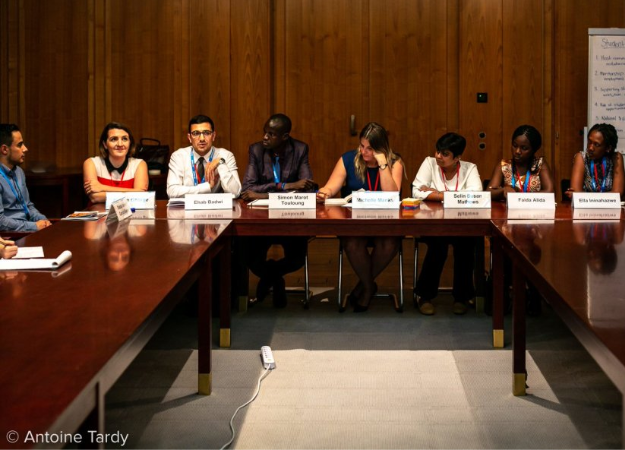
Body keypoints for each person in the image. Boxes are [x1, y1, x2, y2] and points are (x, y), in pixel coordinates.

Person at [317, 122, 404, 312]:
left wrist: (382, 164)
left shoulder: (394, 162)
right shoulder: (348, 159)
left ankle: (364, 287)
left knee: (389, 243)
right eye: (362, 146)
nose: (364, 152)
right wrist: (325, 192)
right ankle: (369, 286)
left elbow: (392, 195)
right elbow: (331, 186)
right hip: (355, 222)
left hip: (385, 223)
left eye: (370, 149)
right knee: (352, 243)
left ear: (381, 149)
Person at [240, 114, 317, 308]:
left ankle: (270, 277)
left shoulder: (300, 149)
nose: (265, 137)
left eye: (271, 134)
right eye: (265, 132)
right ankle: (277, 279)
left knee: (297, 259)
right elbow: (247, 189)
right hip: (261, 219)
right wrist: (286, 185)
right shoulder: (256, 150)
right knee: (251, 259)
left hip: (291, 218)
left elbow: (307, 187)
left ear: (284, 137)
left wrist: (264, 195)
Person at [412, 132, 482, 315]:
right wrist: (456, 197)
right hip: (433, 224)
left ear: (458, 157)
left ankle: (462, 296)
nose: (438, 156)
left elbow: (476, 195)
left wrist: (437, 194)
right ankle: (424, 296)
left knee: (466, 245)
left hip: (462, 224)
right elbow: (416, 192)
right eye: (437, 151)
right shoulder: (429, 163)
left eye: (444, 154)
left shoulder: (470, 168)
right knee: (438, 247)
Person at [167, 114, 241, 198]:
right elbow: (172, 192)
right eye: (196, 133)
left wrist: (221, 163)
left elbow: (236, 193)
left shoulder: (226, 156)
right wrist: (207, 187)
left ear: (213, 136)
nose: (202, 138)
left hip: (216, 209)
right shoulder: (178, 156)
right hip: (187, 209)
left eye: (206, 133)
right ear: (189, 138)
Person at [0, 124, 51, 232]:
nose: (25, 149)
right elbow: (1, 222)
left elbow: (27, 206)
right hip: (10, 236)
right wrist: (33, 226)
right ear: (5, 149)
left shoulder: (19, 172)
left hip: (27, 230)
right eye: (20, 145)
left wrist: (43, 220)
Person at [83, 122, 149, 204]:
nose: (120, 144)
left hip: (131, 214)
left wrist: (102, 187)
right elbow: (95, 197)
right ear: (105, 144)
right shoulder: (91, 163)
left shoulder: (139, 164)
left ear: (130, 142)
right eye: (114, 139)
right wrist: (133, 193)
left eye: (124, 139)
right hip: (99, 214)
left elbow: (141, 195)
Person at [487, 125, 553, 200]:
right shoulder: (503, 165)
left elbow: (550, 192)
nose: (517, 151)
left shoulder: (540, 164)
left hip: (534, 210)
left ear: (533, 150)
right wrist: (503, 190)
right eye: (515, 146)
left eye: (524, 148)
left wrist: (520, 196)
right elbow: (489, 193)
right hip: (508, 210)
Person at [566, 123, 624, 199]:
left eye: (596, 144)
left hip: (610, 209)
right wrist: (608, 197)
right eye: (589, 142)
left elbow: (618, 194)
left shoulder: (616, 158)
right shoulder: (581, 158)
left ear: (608, 148)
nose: (590, 148)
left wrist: (584, 196)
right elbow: (576, 195)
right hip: (585, 209)